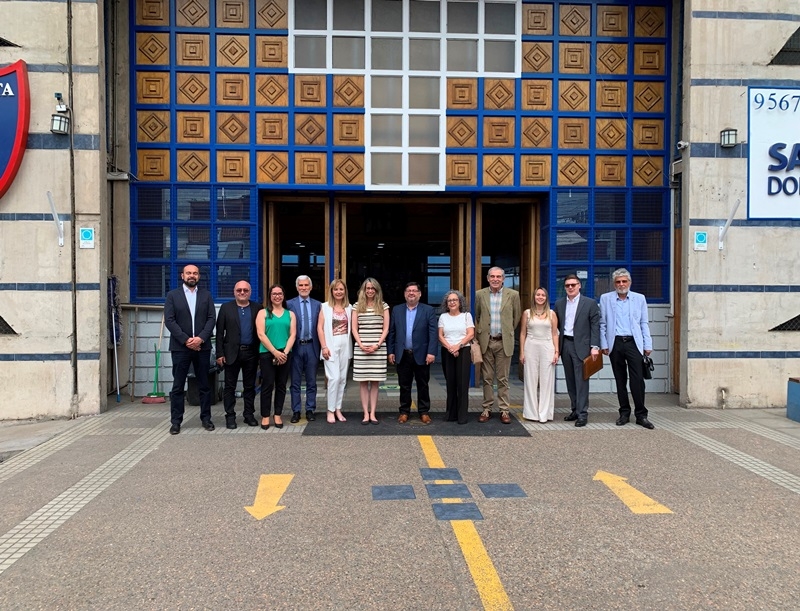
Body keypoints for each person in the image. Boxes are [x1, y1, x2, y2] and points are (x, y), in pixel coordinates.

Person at [164, 264, 217, 435]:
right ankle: (176, 421)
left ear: (199, 276)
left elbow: (211, 319)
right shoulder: (173, 296)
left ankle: (206, 418)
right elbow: (170, 321)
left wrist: (200, 338)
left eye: (195, 273)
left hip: (202, 346)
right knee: (178, 386)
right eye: (188, 273)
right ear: (182, 276)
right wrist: (186, 340)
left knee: (204, 385)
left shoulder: (206, 295)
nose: (191, 276)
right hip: (181, 347)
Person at [599, 268, 655, 429]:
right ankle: (624, 412)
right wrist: (604, 344)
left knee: (637, 380)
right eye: (618, 282)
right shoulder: (606, 299)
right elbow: (602, 324)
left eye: (624, 281)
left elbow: (644, 322)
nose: (621, 284)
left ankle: (641, 415)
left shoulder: (639, 299)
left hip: (634, 343)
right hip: (615, 343)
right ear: (613, 284)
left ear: (629, 282)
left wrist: (647, 344)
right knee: (620, 379)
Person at [474, 266, 521, 424]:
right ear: (487, 278)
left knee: (503, 378)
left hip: (503, 342)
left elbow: (516, 317)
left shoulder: (513, 295)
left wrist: (506, 333)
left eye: (498, 276)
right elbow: (477, 315)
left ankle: (504, 410)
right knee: (487, 378)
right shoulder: (480, 294)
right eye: (492, 276)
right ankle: (486, 408)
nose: (495, 279)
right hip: (486, 342)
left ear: (503, 279)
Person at [387, 282, 438, 424]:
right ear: (404, 294)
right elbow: (392, 332)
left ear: (419, 294)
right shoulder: (397, 310)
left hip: (422, 354)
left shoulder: (428, 310)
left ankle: (424, 412)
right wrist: (390, 351)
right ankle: (404, 412)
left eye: (414, 291)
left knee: (423, 384)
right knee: (404, 385)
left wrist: (431, 352)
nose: (411, 293)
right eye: (408, 290)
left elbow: (433, 333)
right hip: (402, 354)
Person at [215, 281, 264, 429]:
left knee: (250, 386)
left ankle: (248, 415)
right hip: (231, 353)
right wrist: (219, 353)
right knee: (230, 387)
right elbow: (219, 333)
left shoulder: (257, 308)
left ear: (250, 292)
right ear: (234, 291)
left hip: (251, 353)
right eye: (239, 290)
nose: (242, 292)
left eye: (245, 290)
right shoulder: (226, 308)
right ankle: (230, 416)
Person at [554, 274, 600, 427]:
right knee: (570, 380)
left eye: (573, 285)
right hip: (565, 344)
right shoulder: (560, 304)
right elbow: (556, 327)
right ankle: (574, 409)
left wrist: (595, 347)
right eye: (567, 285)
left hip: (582, 346)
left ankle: (582, 413)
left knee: (581, 381)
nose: (571, 287)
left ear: (579, 285)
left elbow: (595, 326)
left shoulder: (590, 303)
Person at [256, 284, 296, 430]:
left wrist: (284, 352)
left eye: (280, 293)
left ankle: (277, 414)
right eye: (274, 294)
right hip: (267, 353)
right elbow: (261, 334)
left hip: (285, 353)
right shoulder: (263, 313)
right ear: (270, 296)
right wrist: (275, 352)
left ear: (283, 296)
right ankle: (265, 416)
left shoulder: (290, 314)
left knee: (281, 385)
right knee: (267, 385)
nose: (277, 296)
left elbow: (293, 334)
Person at [351, 278, 389, 424]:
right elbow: (354, 328)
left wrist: (377, 345)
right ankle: (365, 413)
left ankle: (373, 413)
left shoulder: (383, 306)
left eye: (373, 288)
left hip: (378, 348)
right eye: (367, 288)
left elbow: (386, 328)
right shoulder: (356, 306)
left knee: (375, 383)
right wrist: (360, 344)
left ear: (377, 290)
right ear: (363, 290)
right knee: (362, 382)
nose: (370, 291)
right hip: (361, 348)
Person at [519, 287, 559, 423]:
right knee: (530, 380)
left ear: (546, 297)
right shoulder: (527, 313)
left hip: (547, 346)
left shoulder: (552, 314)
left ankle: (545, 414)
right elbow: (523, 333)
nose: (540, 297)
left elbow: (555, 334)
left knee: (546, 381)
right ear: (534, 297)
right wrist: (522, 352)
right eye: (538, 295)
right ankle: (531, 413)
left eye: (543, 295)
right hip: (531, 346)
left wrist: (556, 352)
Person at [286, 275, 322, 423]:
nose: (303, 288)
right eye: (301, 285)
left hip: (312, 346)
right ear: (297, 287)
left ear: (311, 287)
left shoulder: (318, 305)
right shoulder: (289, 304)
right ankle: (296, 411)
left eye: (306, 285)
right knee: (294, 382)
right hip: (296, 347)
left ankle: (310, 409)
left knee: (311, 381)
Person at [318, 279, 353, 424]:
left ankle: (338, 408)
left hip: (345, 345)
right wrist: (324, 346)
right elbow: (319, 328)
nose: (338, 292)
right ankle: (330, 410)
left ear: (345, 291)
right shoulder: (325, 307)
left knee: (343, 379)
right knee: (334, 378)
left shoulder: (349, 307)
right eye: (335, 289)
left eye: (341, 289)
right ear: (331, 291)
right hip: (330, 347)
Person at [438, 290, 474, 424]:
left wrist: (458, 346)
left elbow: (470, 334)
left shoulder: (466, 316)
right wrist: (450, 348)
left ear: (460, 302)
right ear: (446, 304)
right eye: (449, 300)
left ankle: (462, 416)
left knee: (462, 384)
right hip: (447, 351)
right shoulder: (443, 317)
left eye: (455, 300)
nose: (452, 302)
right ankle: (451, 414)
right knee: (450, 383)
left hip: (463, 351)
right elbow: (440, 336)